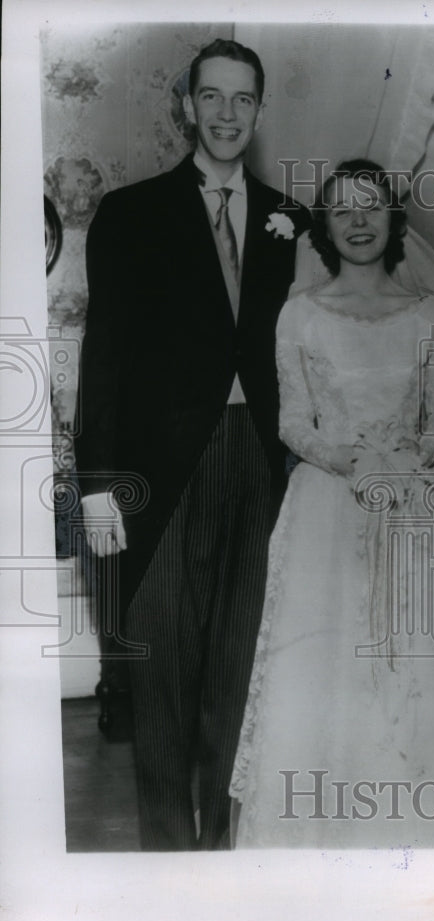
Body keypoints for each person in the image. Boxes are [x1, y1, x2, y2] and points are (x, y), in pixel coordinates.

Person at [229, 161, 434, 848]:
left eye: (371, 206)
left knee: (429, 668)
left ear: (393, 218)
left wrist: (405, 459)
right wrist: (349, 461)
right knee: (325, 668)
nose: (359, 221)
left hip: (414, 499)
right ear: (326, 225)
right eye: (342, 209)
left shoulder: (428, 313)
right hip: (327, 505)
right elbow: (292, 420)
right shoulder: (299, 316)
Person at [75, 39, 310, 849]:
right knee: (164, 683)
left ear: (258, 108)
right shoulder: (131, 213)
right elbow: (101, 357)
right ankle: (171, 864)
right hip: (164, 474)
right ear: (186, 104)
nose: (225, 114)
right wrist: (99, 485)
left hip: (262, 466)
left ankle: (222, 864)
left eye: (243, 99)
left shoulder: (291, 221)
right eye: (211, 97)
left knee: (239, 681)